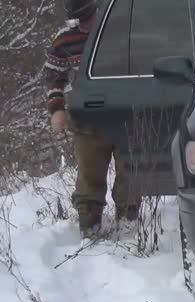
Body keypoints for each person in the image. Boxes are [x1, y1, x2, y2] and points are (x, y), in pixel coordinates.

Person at [45, 0, 141, 239]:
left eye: (90, 17)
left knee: (130, 170)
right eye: (82, 20)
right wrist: (57, 109)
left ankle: (128, 221)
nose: (87, 24)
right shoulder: (64, 40)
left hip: (126, 114)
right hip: (87, 118)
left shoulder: (123, 32)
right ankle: (90, 224)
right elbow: (53, 77)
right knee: (89, 174)